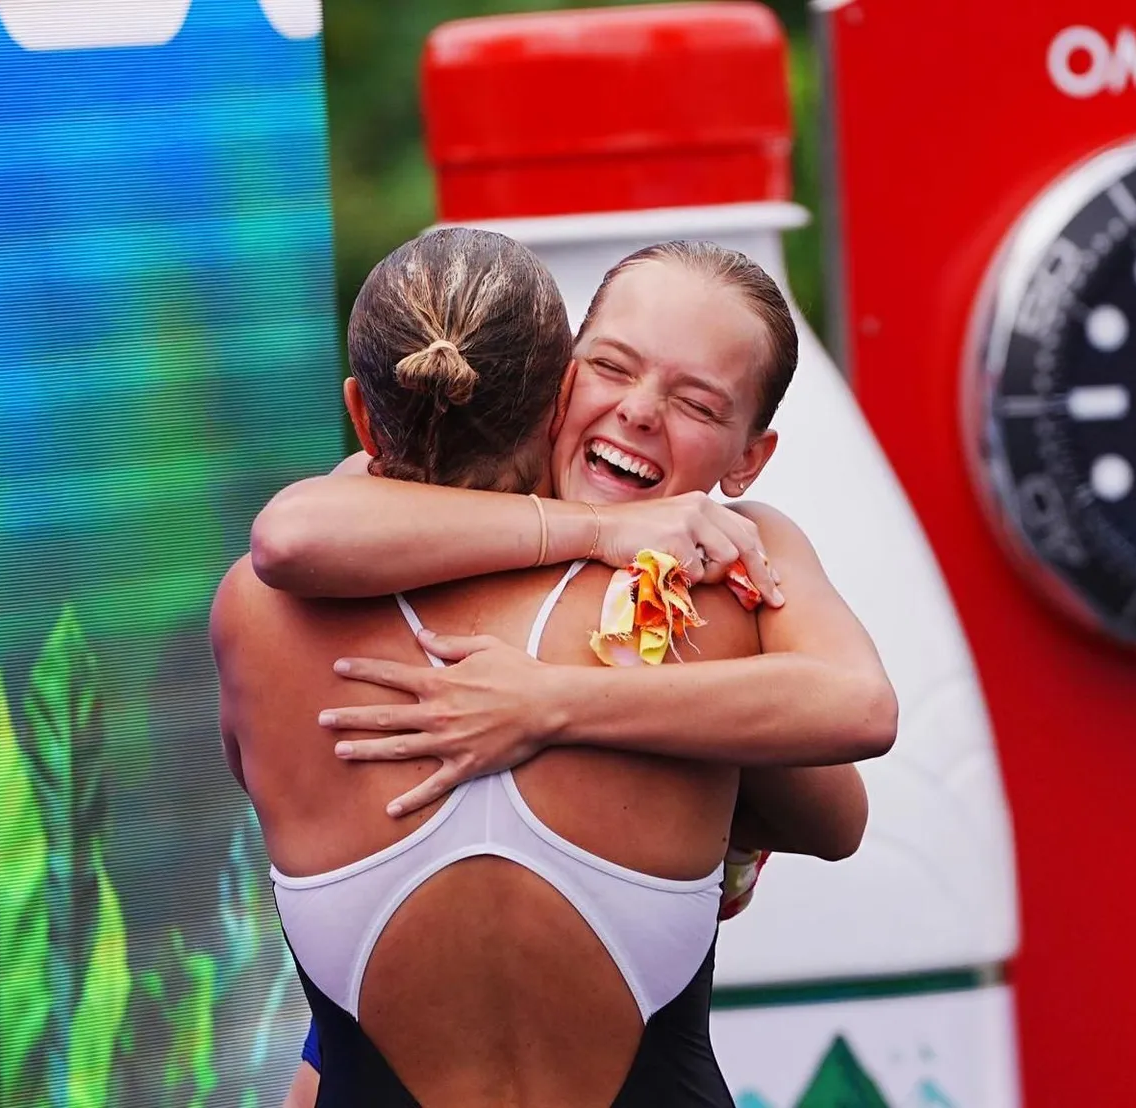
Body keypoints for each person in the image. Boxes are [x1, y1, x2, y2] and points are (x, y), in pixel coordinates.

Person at [217, 227, 887, 1108]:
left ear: (748, 458)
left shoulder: (722, 569)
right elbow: (292, 534)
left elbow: (844, 773)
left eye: (696, 403)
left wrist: (555, 702)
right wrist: (603, 532)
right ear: (558, 386)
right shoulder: (696, 591)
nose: (639, 411)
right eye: (611, 367)